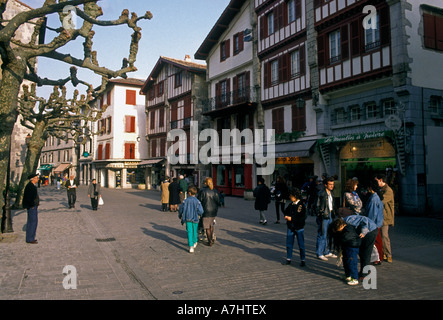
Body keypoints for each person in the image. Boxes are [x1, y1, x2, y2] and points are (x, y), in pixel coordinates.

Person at [330, 218, 362, 286]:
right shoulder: (346, 229)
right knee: (346, 261)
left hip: (352, 247)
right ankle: (348, 275)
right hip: (348, 247)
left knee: (352, 262)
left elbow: (346, 238)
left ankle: (355, 278)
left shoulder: (348, 229)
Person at [314, 176, 337, 261]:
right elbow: (316, 205)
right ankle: (319, 253)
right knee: (322, 234)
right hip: (324, 216)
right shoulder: (321, 193)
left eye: (333, 184)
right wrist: (321, 214)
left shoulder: (331, 193)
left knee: (328, 234)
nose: (332, 186)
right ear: (325, 185)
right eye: (330, 184)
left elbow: (332, 205)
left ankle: (327, 251)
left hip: (330, 214)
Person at [282, 188, 307, 267]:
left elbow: (302, 217)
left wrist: (292, 219)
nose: (290, 197)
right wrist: (286, 215)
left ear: (295, 196)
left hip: (299, 227)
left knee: (301, 244)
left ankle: (303, 259)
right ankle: (288, 258)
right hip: (290, 227)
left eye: (291, 196)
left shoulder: (301, 205)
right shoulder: (291, 204)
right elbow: (285, 211)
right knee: (289, 244)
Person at [376, 174, 395, 263]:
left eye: (377, 181)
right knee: (380, 235)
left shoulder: (388, 190)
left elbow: (381, 201)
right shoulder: (380, 190)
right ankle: (382, 253)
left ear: (381, 180)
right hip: (380, 216)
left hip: (385, 217)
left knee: (384, 235)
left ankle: (388, 254)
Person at [179, 186, 204, 253]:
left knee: (189, 231)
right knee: (195, 231)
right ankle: (195, 241)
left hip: (188, 218)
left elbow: (181, 209)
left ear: (189, 193)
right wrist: (199, 214)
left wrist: (180, 215)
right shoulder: (197, 201)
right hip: (195, 218)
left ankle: (191, 246)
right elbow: (201, 211)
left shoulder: (185, 201)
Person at [364, 180, 384, 265]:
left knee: (375, 241)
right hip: (378, 222)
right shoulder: (377, 196)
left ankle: (378, 258)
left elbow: (372, 214)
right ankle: (379, 257)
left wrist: (368, 224)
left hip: (374, 224)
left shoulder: (373, 199)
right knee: (378, 241)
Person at [197, 177, 220, 246]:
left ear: (205, 183)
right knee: (211, 225)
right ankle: (212, 238)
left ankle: (210, 241)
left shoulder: (202, 191)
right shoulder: (214, 190)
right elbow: (218, 201)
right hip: (213, 211)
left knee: (207, 227)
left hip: (205, 211)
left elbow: (199, 201)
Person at [23, 174, 40, 244]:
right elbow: (29, 198)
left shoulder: (31, 186)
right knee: (33, 222)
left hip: (32, 206)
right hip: (32, 207)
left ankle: (31, 237)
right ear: (32, 179)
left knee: (32, 222)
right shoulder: (30, 187)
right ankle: (30, 238)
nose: (38, 179)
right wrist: (32, 205)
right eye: (36, 178)